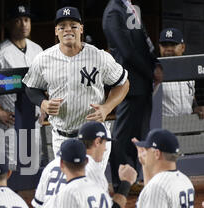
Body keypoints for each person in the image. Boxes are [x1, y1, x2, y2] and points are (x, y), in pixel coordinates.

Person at [23, 6, 129, 172]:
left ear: (81, 29)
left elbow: (123, 83)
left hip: (94, 137)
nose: (67, 30)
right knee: (67, 186)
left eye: (73, 25)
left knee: (91, 185)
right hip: (61, 136)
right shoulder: (43, 59)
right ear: (56, 31)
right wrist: (43, 103)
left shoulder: (99, 56)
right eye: (62, 26)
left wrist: (107, 107)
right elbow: (31, 87)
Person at [102, 0, 164, 192]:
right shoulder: (114, 11)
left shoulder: (130, 7)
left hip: (141, 82)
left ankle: (133, 178)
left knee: (138, 134)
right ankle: (121, 182)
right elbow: (127, 52)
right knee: (123, 135)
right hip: (128, 83)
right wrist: (149, 71)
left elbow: (143, 41)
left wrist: (155, 64)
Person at [0, 3, 44, 161]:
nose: (24, 24)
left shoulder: (38, 50)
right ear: (9, 24)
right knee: (9, 171)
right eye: (18, 20)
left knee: (33, 171)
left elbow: (45, 81)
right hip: (10, 124)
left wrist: (45, 104)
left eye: (27, 20)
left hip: (34, 123)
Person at [158, 27, 204, 119]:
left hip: (188, 124)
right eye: (165, 45)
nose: (168, 49)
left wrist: (196, 107)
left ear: (183, 47)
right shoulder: (154, 72)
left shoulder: (189, 70)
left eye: (173, 45)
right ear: (159, 47)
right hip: (164, 125)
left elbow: (191, 96)